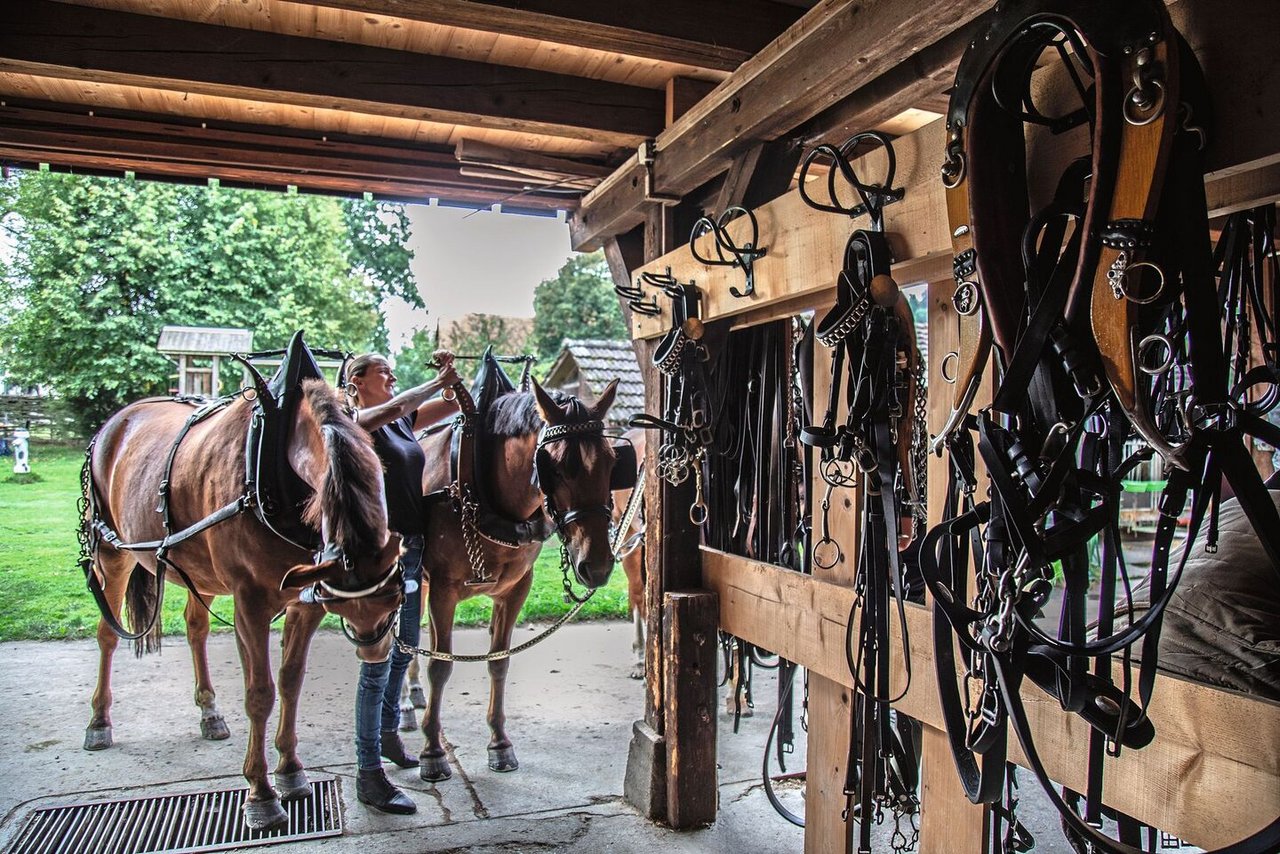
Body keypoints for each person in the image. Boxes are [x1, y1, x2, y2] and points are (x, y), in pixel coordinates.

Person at [344, 350, 460, 814]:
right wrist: (431, 386)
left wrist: (448, 382)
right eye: (382, 371)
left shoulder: (400, 420)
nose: (391, 375)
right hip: (376, 556)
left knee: (407, 646)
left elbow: (451, 406)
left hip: (410, 549)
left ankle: (389, 733)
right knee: (376, 661)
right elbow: (395, 408)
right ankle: (367, 771)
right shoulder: (356, 419)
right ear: (357, 381)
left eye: (393, 371)